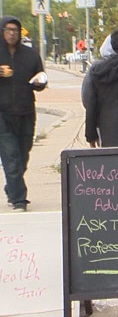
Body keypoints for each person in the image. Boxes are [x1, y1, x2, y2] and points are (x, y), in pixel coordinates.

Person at [0, 16, 47, 212]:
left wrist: (39, 83)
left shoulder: (30, 55)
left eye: (16, 30)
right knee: (11, 157)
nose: (12, 33)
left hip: (26, 112)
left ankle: (12, 187)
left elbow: (41, 78)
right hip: (2, 114)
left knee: (22, 156)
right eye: (8, 29)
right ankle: (19, 199)